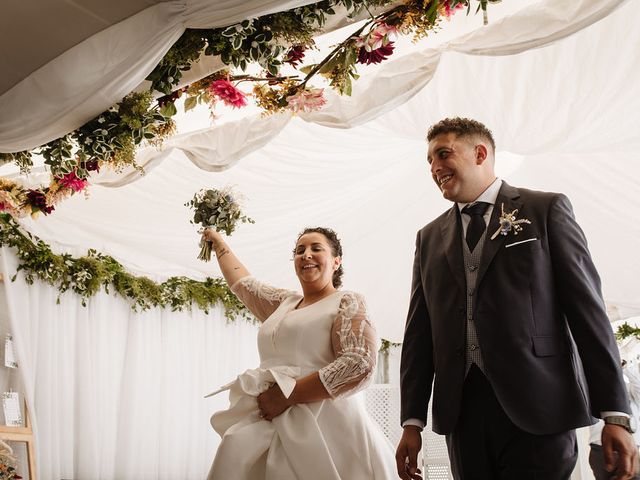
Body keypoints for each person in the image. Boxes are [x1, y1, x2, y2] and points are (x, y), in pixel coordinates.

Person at [395, 117, 639, 480]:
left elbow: (589, 315)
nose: (434, 168)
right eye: (429, 161)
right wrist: (412, 422)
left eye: (443, 154)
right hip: (462, 413)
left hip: (540, 405)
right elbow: (419, 332)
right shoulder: (429, 237)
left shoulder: (545, 210)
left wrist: (614, 414)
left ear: (480, 153)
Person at [203, 226, 397, 480]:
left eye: (316, 249)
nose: (306, 255)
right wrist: (217, 242)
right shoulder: (284, 303)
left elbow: (359, 364)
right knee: (235, 449)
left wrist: (287, 396)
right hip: (268, 417)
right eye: (299, 250)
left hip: (323, 424)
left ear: (336, 262)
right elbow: (244, 285)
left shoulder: (347, 301)